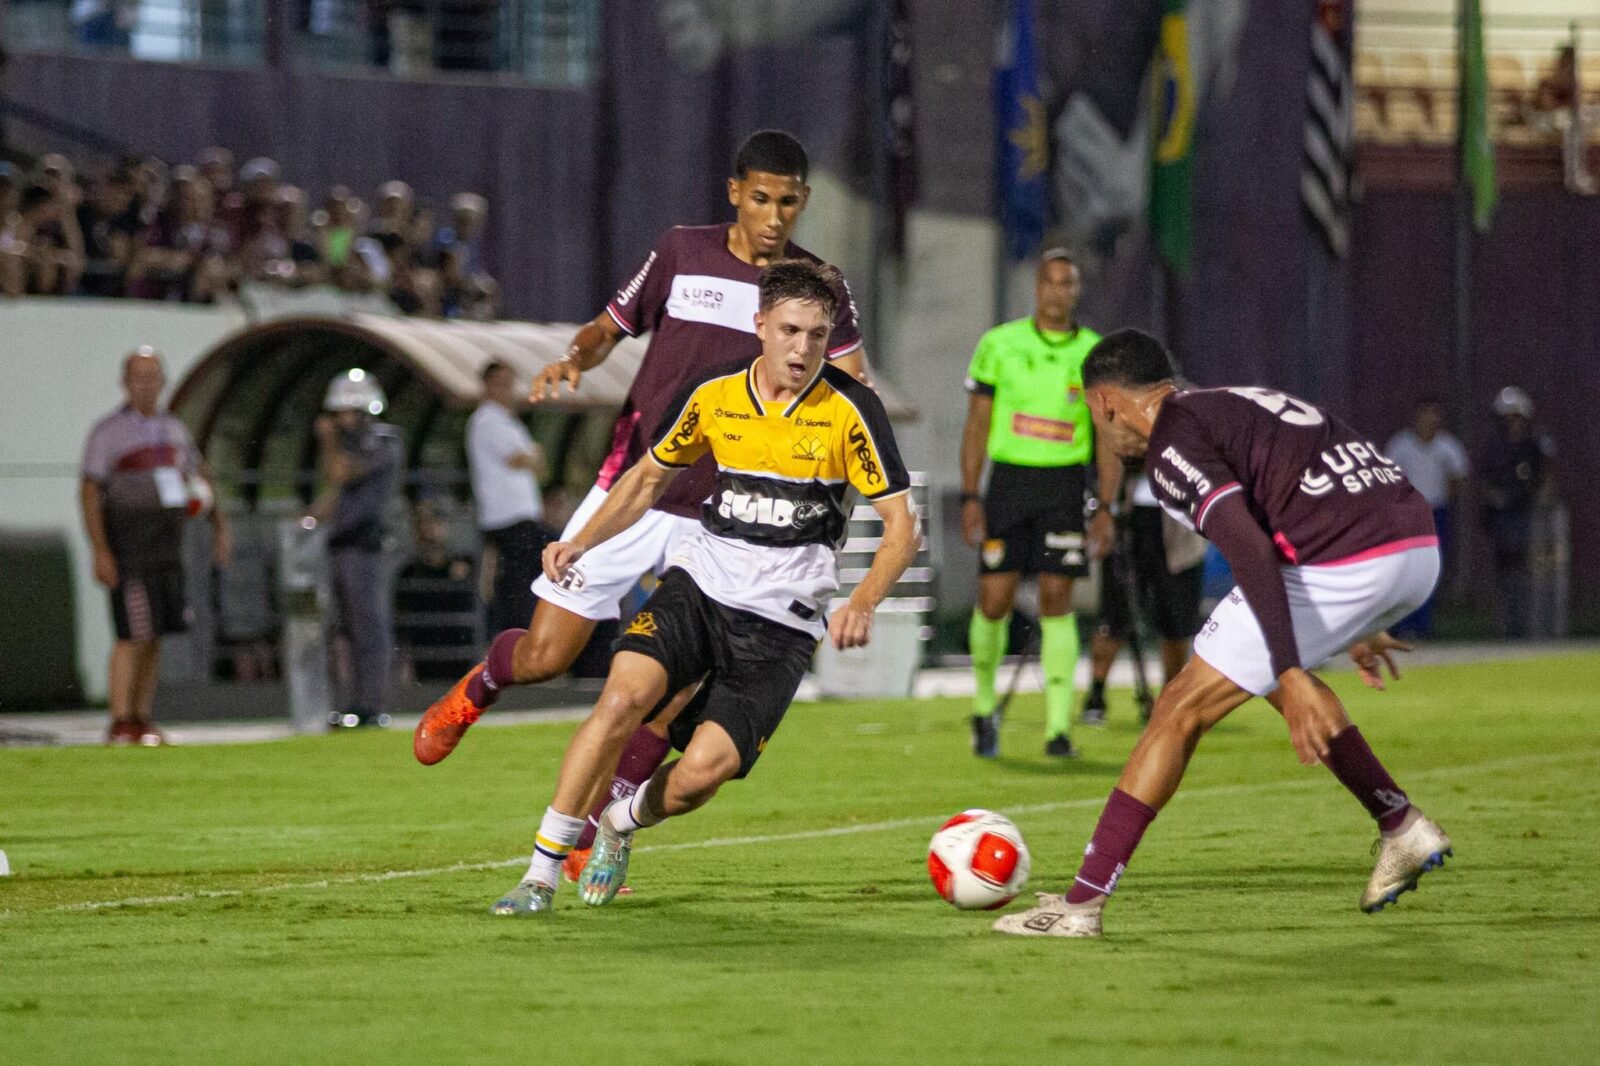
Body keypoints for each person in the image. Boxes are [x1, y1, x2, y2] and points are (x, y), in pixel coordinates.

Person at [414, 129, 869, 876]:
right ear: (735, 192)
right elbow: (610, 326)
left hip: (729, 518)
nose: (774, 214)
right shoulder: (682, 253)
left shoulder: (816, 286)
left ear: (805, 201)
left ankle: (593, 830)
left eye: (788, 201)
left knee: (673, 682)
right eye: (760, 197)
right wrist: (574, 356)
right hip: (636, 488)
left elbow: (853, 384)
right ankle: (484, 682)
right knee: (546, 655)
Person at [489, 259, 917, 915]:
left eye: (818, 334)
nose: (803, 349)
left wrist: (862, 601)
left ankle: (621, 822)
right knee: (620, 700)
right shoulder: (714, 394)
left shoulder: (851, 410)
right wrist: (582, 540)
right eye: (791, 330)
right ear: (761, 326)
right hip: (700, 588)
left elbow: (900, 528)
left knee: (700, 777)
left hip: (781, 624)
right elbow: (646, 480)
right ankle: (540, 873)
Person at [994, 330, 1451, 940]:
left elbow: (1248, 544)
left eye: (1094, 416)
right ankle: (1399, 824)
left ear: (1105, 403)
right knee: (1248, 669)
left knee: (1180, 706)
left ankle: (1080, 906)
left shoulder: (1170, 445)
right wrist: (1354, 623)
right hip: (1414, 547)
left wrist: (1292, 662)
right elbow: (1305, 491)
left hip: (1349, 557)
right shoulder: (1229, 404)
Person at [958, 248, 1100, 759]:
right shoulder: (999, 344)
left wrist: (1104, 505)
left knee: (1057, 601)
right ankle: (982, 708)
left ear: (1077, 290)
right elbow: (976, 425)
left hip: (1064, 486)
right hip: (1010, 485)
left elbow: (1105, 435)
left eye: (1068, 283)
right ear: (1036, 287)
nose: (1058, 291)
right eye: (1050, 282)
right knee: (994, 599)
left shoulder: (1093, 353)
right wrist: (972, 495)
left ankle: (1058, 728)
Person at [81, 348, 229, 745]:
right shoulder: (108, 432)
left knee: (157, 632)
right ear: (125, 382)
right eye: (139, 377)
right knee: (132, 632)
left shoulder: (175, 430)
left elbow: (199, 477)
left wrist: (218, 525)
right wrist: (100, 549)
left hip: (168, 547)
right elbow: (91, 490)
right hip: (130, 547)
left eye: (154, 376)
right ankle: (119, 720)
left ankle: (141, 717)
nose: (147, 385)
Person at [310, 369, 404, 728]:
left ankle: (371, 706)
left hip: (366, 546)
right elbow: (335, 495)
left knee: (369, 628)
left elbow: (341, 473)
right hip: (341, 545)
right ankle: (350, 703)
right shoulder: (350, 443)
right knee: (343, 629)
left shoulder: (384, 441)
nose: (343, 420)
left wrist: (328, 442)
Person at [1079, 465, 1206, 726]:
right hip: (1125, 509)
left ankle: (1170, 697)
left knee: (1176, 618)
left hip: (1176, 516)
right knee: (1113, 613)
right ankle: (1096, 694)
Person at [466, 361, 550, 635]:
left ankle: (519, 637)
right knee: (517, 588)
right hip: (507, 518)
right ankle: (514, 639)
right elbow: (521, 459)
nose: (508, 390)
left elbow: (538, 464)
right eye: (501, 383)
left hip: (519, 517)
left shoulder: (507, 422)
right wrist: (533, 455)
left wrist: (534, 458)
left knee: (522, 583)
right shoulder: (487, 420)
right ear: (488, 385)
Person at [1384, 398, 1469, 638]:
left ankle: (1423, 626)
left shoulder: (1446, 446)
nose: (1429, 421)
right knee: (1404, 570)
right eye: (1425, 415)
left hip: (1436, 512)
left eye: (1433, 416)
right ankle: (1401, 625)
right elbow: (1387, 476)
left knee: (1429, 569)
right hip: (1407, 513)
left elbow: (1459, 475)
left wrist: (1446, 496)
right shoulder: (1402, 444)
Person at [1479, 387, 1556, 640]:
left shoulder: (1534, 445)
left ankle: (1533, 625)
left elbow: (1544, 477)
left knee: (1530, 572)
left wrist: (1538, 499)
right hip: (1502, 517)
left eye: (1517, 418)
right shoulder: (1493, 447)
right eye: (1508, 419)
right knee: (1504, 572)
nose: (1513, 424)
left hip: (1527, 514)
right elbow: (1487, 481)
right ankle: (1506, 627)